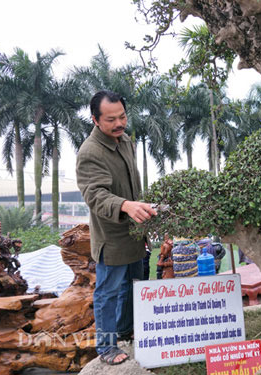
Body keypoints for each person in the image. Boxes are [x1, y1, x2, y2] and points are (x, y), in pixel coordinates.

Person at [76, 90, 157, 365]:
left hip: (135, 231)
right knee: (108, 292)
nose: (119, 123)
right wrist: (125, 205)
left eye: (122, 116)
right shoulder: (90, 152)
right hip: (111, 236)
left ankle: (127, 330)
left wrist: (143, 208)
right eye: (111, 119)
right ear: (96, 120)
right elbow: (95, 194)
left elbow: (131, 183)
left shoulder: (125, 141)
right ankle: (107, 346)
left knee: (135, 285)